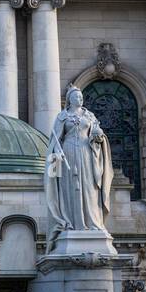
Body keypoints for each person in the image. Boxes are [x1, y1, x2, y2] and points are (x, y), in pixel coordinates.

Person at [45, 86, 114, 237]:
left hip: (87, 153)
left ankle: (93, 222)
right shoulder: (62, 116)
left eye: (81, 97)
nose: (80, 99)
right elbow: (56, 139)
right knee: (70, 188)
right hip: (68, 153)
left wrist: (99, 136)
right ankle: (71, 223)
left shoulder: (89, 116)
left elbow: (97, 133)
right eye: (76, 97)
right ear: (69, 99)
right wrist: (57, 152)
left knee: (90, 187)